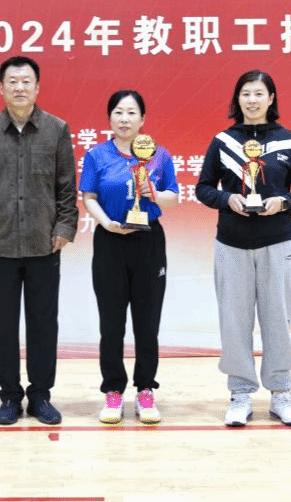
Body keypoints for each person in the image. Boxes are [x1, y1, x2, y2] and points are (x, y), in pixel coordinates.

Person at [195, 70, 291, 428]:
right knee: (234, 321)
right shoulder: (223, 141)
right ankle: (240, 394)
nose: (252, 100)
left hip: (277, 242)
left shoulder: (288, 141)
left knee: (278, 319)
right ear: (238, 98)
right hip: (231, 244)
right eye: (246, 93)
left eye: (259, 93)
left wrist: (284, 202)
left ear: (271, 98)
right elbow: (203, 188)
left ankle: (281, 393)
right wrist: (226, 198)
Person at [0, 55, 78, 426]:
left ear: (37, 87)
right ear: (1, 88)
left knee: (44, 323)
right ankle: (10, 397)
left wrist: (65, 227)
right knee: (3, 325)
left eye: (26, 81)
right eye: (12, 81)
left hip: (44, 243)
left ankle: (41, 395)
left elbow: (66, 186)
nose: (19, 87)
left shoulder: (56, 129)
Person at [80, 90, 179, 425]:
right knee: (111, 324)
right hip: (110, 241)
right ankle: (113, 391)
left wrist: (155, 192)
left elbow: (173, 197)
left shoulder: (159, 155)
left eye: (132, 112)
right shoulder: (97, 155)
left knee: (147, 323)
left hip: (149, 242)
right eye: (118, 112)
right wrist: (105, 222)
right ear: (110, 117)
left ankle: (146, 390)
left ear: (143, 119)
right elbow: (88, 196)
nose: (124, 119)